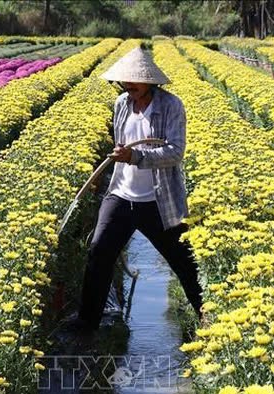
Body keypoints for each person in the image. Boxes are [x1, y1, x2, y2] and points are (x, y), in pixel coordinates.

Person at [68, 47, 203, 332]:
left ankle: (208, 317)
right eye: (124, 83)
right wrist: (120, 160)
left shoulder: (171, 106)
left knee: (184, 263)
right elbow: (122, 146)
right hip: (121, 195)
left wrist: (137, 157)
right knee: (99, 252)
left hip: (158, 200)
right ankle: (87, 322)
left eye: (134, 82)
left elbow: (175, 152)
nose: (128, 87)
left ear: (150, 82)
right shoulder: (121, 104)